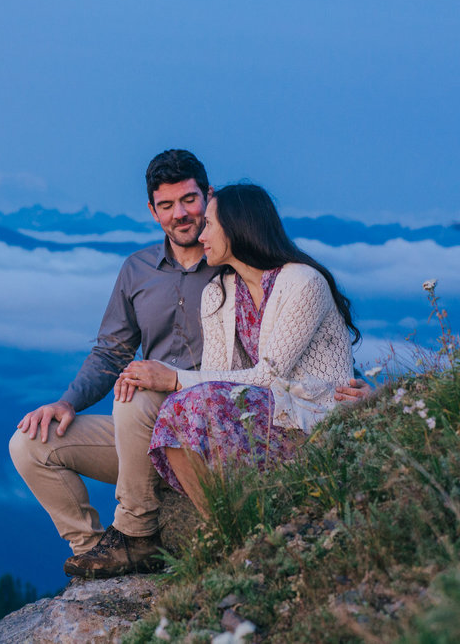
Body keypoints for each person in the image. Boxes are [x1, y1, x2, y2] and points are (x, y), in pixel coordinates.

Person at [10, 153, 368, 579]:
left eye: (191, 201)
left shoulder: (240, 274)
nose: (182, 215)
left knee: (139, 391)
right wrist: (67, 403)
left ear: (210, 198)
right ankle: (97, 557)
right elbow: (111, 352)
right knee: (31, 443)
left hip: (216, 417)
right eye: (167, 205)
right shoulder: (150, 272)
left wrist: (365, 390)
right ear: (152, 210)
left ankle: (136, 532)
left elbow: (301, 355)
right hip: (163, 422)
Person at [116, 183, 359, 512]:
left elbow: (267, 377)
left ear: (238, 226)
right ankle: (222, 524)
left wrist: (173, 379)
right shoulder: (218, 292)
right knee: (177, 414)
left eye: (210, 226)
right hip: (265, 415)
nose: (202, 237)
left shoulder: (303, 282)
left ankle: (229, 522)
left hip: (315, 419)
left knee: (181, 405)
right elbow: (218, 377)